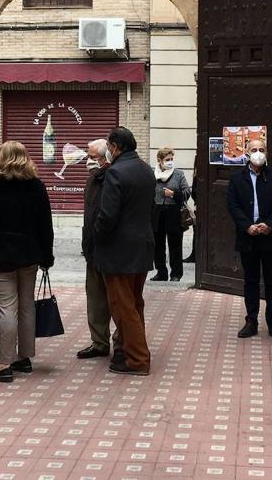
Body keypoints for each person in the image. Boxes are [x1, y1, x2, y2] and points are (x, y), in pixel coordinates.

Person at [0, 141, 53, 383]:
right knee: (26, 304)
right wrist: (47, 256)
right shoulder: (36, 186)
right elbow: (45, 225)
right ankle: (24, 358)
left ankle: (5, 363)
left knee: (7, 305)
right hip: (29, 253)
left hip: (1, 254)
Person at [94, 127, 155, 377]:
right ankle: (133, 351)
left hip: (119, 250)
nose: (107, 150)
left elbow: (107, 216)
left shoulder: (116, 173)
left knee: (123, 306)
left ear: (116, 147)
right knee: (135, 302)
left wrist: (96, 235)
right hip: (142, 245)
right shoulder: (145, 169)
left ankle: (138, 358)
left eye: (109, 145)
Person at [226, 138, 272, 341]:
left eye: (261, 149)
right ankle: (251, 320)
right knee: (250, 281)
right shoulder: (236, 178)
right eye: (254, 149)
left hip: (271, 236)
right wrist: (247, 226)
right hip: (248, 237)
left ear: (266, 152)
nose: (258, 152)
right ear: (246, 152)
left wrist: (270, 224)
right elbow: (233, 205)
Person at [76, 138, 121, 360]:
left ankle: (120, 343)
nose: (88, 161)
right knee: (95, 300)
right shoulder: (92, 179)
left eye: (92, 157)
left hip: (111, 251)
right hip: (92, 250)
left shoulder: (113, 179)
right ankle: (99, 342)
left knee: (116, 299)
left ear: (106, 158)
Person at [150, 147, 191, 282]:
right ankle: (161, 272)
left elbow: (186, 192)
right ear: (160, 160)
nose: (170, 162)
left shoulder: (178, 174)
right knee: (158, 244)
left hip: (174, 212)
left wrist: (173, 194)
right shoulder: (152, 174)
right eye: (167, 159)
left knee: (175, 244)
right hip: (157, 212)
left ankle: (176, 274)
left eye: (172, 159)